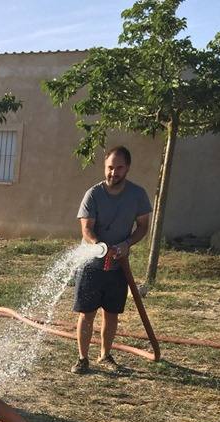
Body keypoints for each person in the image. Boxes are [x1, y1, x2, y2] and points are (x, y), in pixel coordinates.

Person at [72, 146, 152, 374]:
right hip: (91, 264)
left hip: (119, 266)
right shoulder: (93, 194)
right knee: (87, 313)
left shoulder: (137, 195)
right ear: (104, 166)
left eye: (119, 168)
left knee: (111, 313)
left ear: (127, 168)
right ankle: (82, 358)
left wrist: (126, 244)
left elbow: (143, 226)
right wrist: (101, 246)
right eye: (109, 167)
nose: (113, 173)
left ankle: (105, 355)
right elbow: (86, 229)